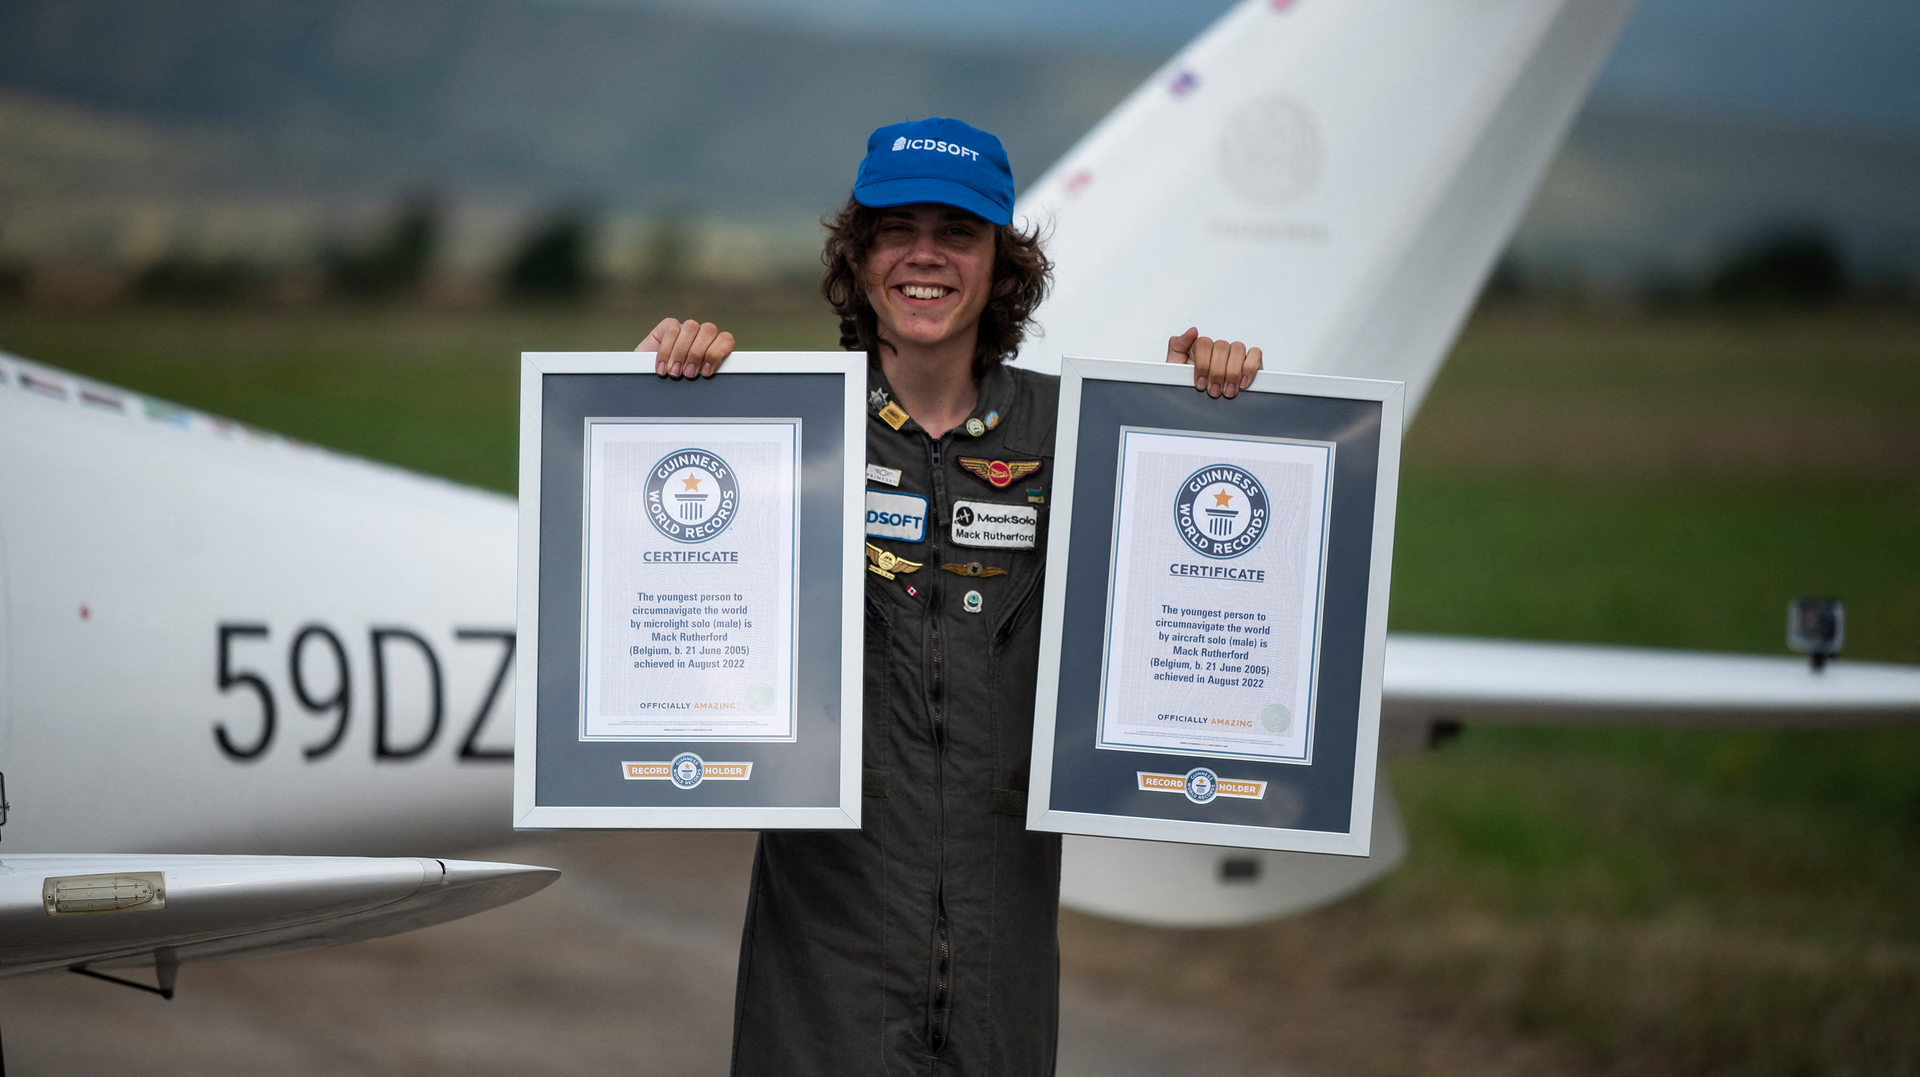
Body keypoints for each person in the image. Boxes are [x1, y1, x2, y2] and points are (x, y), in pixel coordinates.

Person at [638, 117, 1261, 1077]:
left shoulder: (1081, 434)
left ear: (1000, 264)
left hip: (1000, 947)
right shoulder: (779, 431)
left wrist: (1208, 414)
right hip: (828, 950)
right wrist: (666, 395)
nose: (924, 256)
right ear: (858, 256)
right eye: (897, 229)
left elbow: (1191, 577)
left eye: (958, 232)